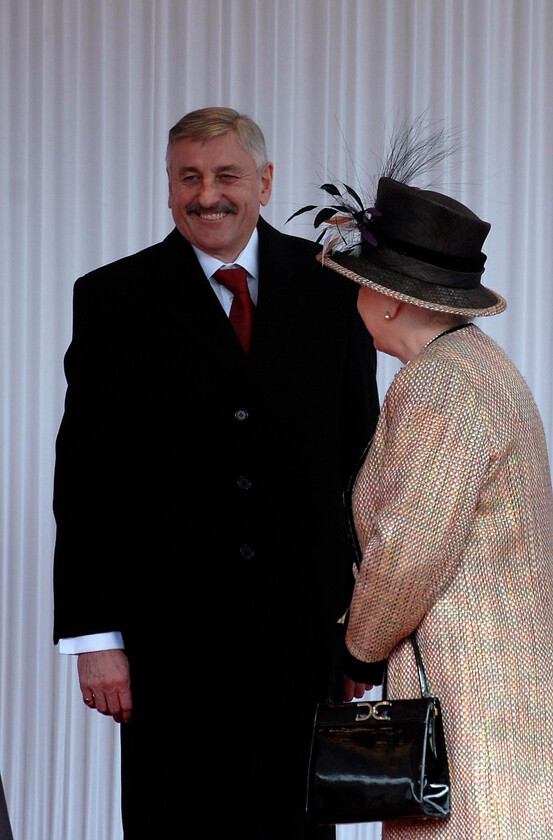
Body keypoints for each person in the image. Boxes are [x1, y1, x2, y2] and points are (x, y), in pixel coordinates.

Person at [52, 107, 379, 839]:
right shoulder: (111, 298)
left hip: (306, 636)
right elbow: (85, 479)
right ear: (167, 188)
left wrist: (368, 633)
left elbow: (362, 466)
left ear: (263, 183)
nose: (207, 195)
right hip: (166, 640)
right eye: (188, 178)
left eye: (226, 175)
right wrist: (93, 637)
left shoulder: (336, 290)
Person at [312, 171, 553, 837]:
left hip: (469, 700)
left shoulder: (437, 385)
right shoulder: (476, 365)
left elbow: (410, 551)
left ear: (389, 301)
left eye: (359, 282)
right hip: (500, 693)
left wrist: (357, 651)